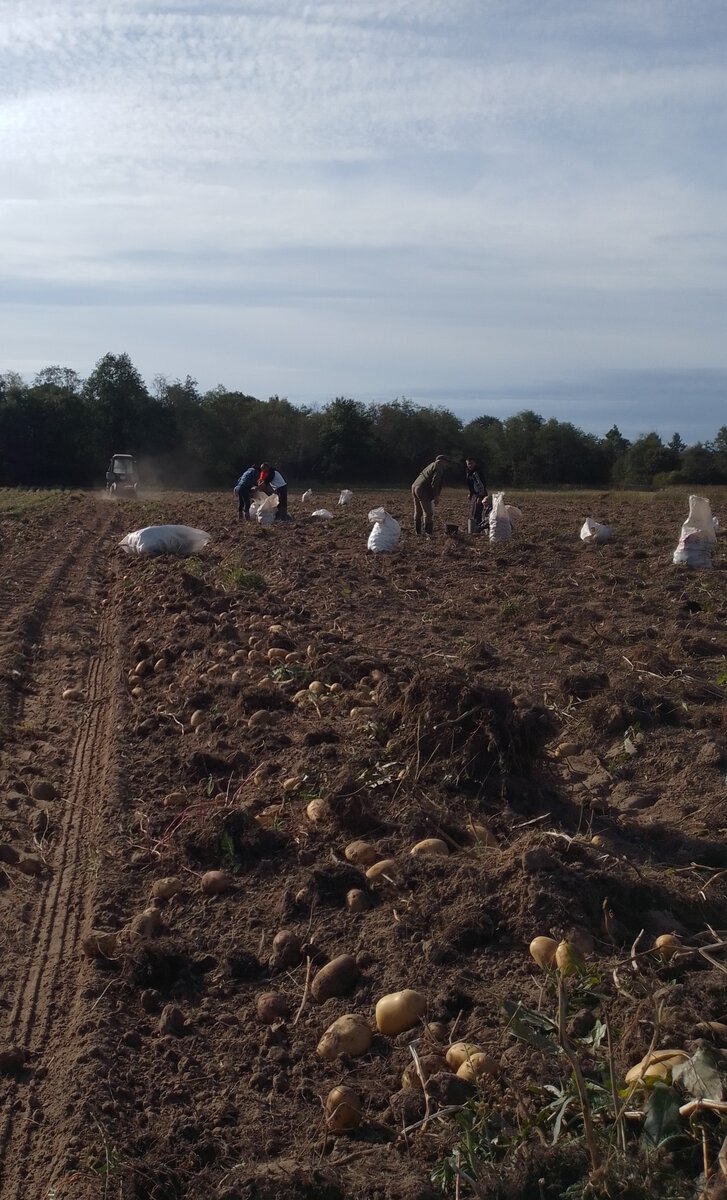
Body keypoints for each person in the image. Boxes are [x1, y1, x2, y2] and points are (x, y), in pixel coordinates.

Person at [411, 455, 448, 536]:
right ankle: (428, 534)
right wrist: (436, 496)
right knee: (428, 513)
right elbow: (435, 482)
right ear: (441, 461)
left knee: (418, 511)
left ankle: (418, 533)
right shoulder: (439, 467)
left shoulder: (431, 465)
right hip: (422, 489)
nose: (446, 465)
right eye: (446, 462)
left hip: (414, 486)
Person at [465, 457, 490, 529]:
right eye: (468, 464)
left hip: (481, 494)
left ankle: (478, 528)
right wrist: (471, 493)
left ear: (474, 463)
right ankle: (474, 528)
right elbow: (471, 485)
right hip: (475, 494)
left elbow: (481, 485)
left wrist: (480, 496)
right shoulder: (468, 472)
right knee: (473, 511)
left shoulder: (477, 472)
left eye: (471, 463)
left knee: (477, 512)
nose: (470, 465)